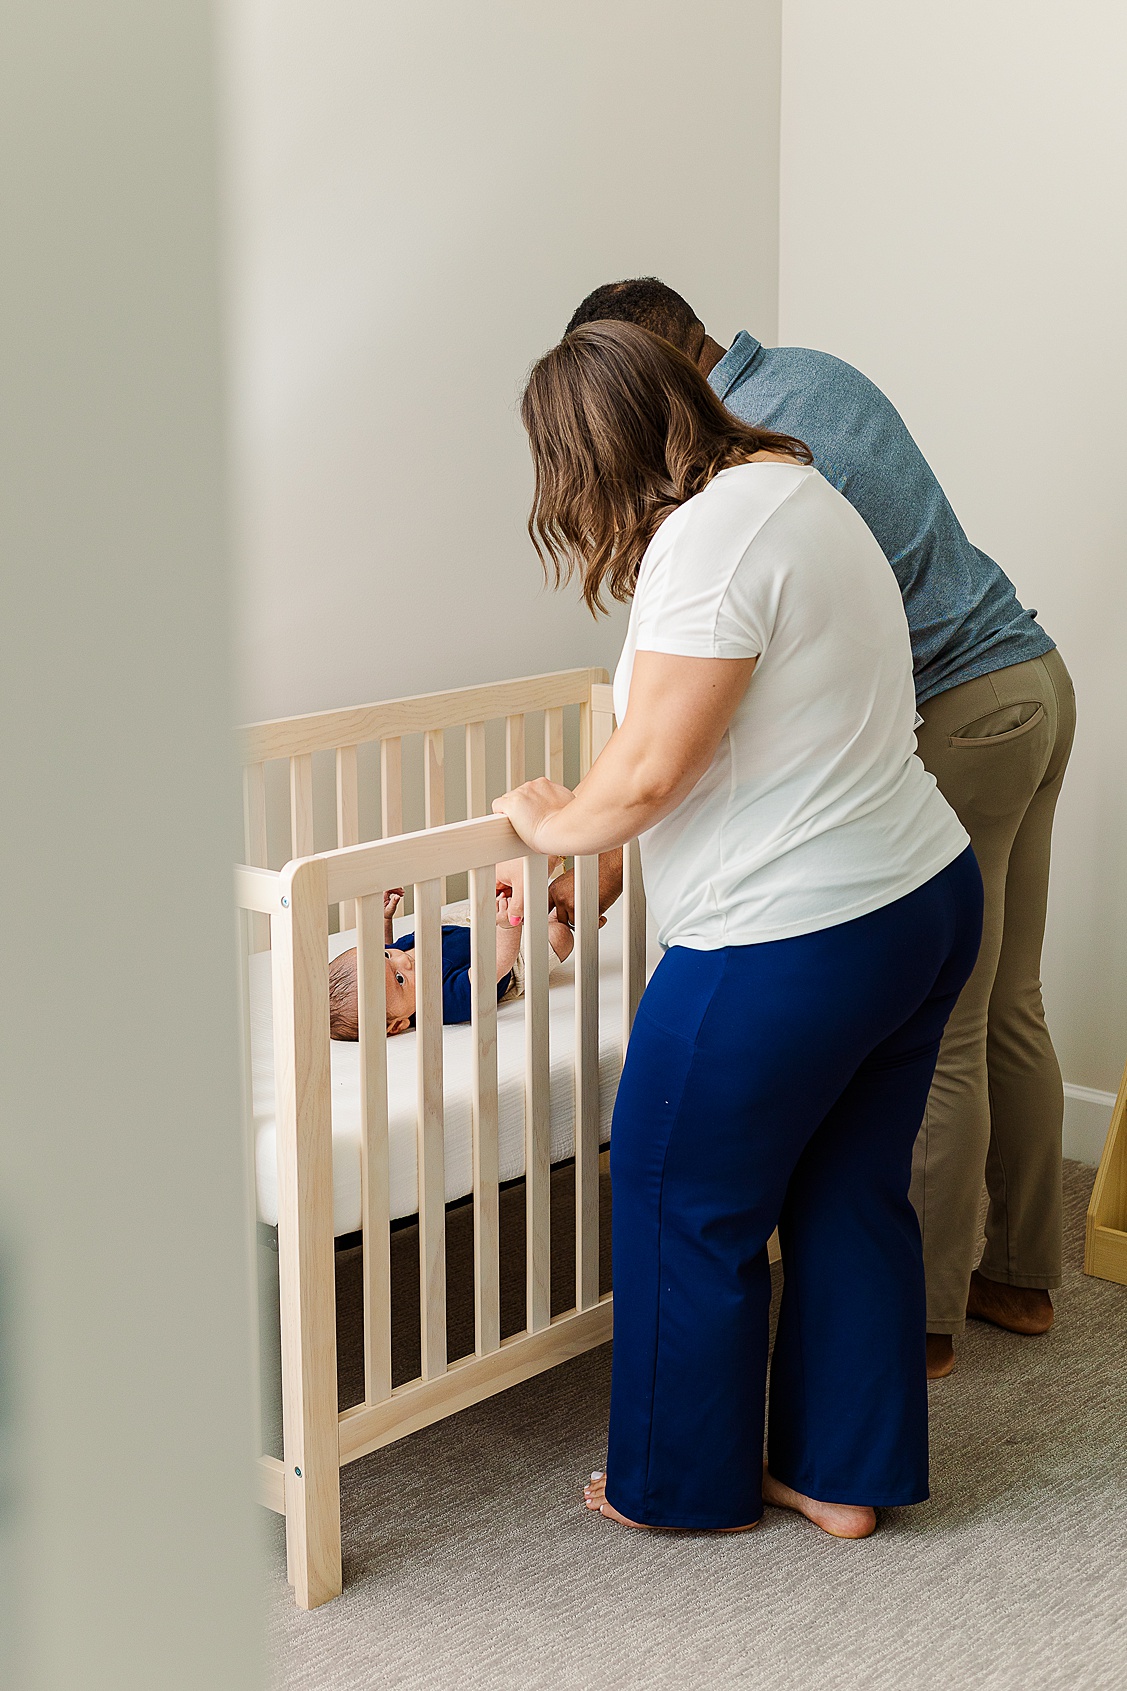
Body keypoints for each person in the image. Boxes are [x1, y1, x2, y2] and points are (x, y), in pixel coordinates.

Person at [494, 321, 981, 1538]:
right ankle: (838, 1473)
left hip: (791, 938)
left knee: (673, 1192)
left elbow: (651, 768)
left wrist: (549, 823)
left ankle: (675, 1486)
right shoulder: (792, 491)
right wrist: (601, 857)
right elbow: (731, 733)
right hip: (914, 896)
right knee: (847, 1189)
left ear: (587, 456)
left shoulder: (708, 544)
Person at [540, 277, 1075, 1379]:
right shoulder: (805, 383)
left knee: (948, 1037)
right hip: (1031, 675)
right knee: (1007, 995)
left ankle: (918, 1320)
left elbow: (697, 709)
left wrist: (581, 827)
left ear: (652, 377)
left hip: (962, 706)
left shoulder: (743, 482)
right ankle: (1018, 1274)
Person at [327, 886, 573, 1039]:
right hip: (506, 955)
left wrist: (384, 918)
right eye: (400, 980)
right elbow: (496, 965)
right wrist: (507, 925)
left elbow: (387, 949)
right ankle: (555, 915)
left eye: (385, 956)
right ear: (398, 1025)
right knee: (558, 937)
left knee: (492, 892)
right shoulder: (442, 1001)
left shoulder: (394, 959)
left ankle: (525, 904)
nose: (404, 959)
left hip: (460, 926)